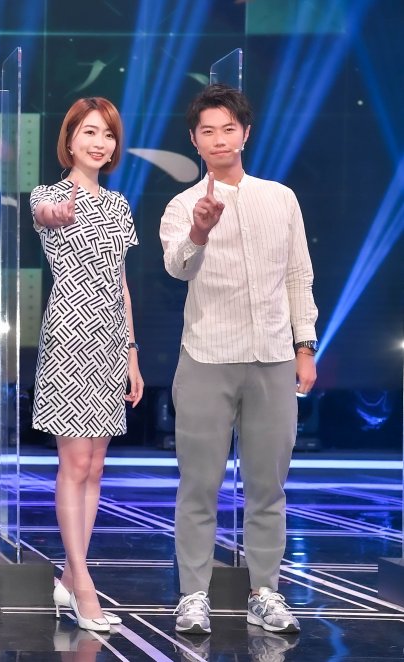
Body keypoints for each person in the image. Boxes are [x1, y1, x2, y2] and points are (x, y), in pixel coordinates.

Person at [160, 83, 317, 635]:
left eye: (229, 128)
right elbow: (178, 267)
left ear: (245, 133)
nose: (219, 139)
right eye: (208, 131)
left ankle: (265, 591)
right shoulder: (182, 206)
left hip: (272, 357)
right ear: (194, 140)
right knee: (199, 484)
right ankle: (193, 595)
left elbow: (298, 276)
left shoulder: (280, 198)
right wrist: (200, 231)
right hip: (206, 356)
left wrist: (304, 346)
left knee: (267, 487)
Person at [31, 97, 143, 633]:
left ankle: (69, 576)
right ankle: (82, 584)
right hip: (70, 340)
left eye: (108, 135)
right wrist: (59, 214)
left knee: (96, 467)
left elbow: (121, 284)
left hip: (110, 343)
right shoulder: (46, 195)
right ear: (70, 139)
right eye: (91, 133)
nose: (100, 143)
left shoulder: (119, 205)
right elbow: (47, 216)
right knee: (74, 465)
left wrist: (132, 354)